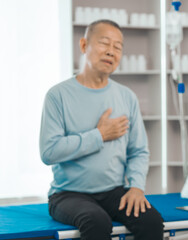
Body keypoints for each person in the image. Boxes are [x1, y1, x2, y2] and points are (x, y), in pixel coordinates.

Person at [39, 19, 164, 240]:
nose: (111, 51)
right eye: (104, 43)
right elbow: (49, 151)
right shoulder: (58, 95)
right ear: (84, 45)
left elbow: (139, 151)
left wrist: (136, 187)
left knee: (152, 221)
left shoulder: (126, 97)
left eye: (117, 47)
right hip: (67, 194)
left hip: (114, 191)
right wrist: (99, 135)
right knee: (96, 222)